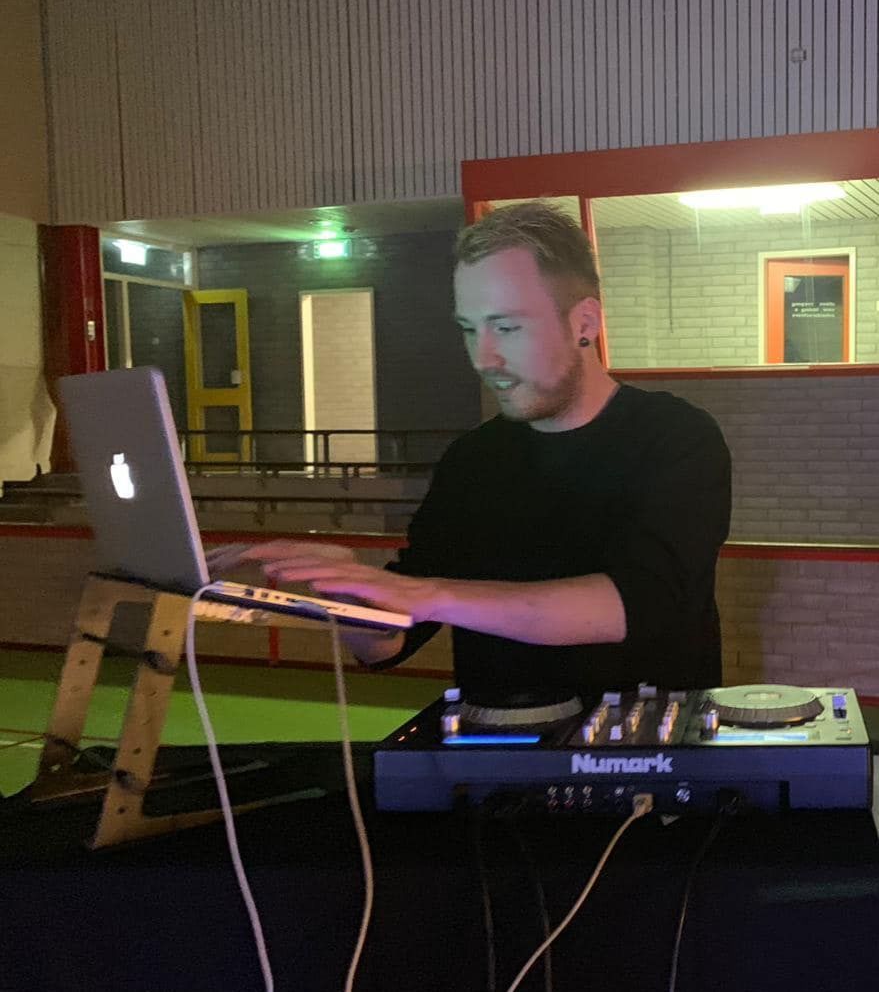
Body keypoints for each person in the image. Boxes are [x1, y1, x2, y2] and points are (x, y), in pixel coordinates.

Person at [210, 202, 731, 704]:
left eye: (506, 327)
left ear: (585, 323)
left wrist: (431, 595)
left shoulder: (676, 437)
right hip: (493, 747)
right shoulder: (472, 461)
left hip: (651, 749)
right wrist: (349, 593)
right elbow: (388, 647)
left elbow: (639, 605)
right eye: (469, 329)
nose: (484, 358)